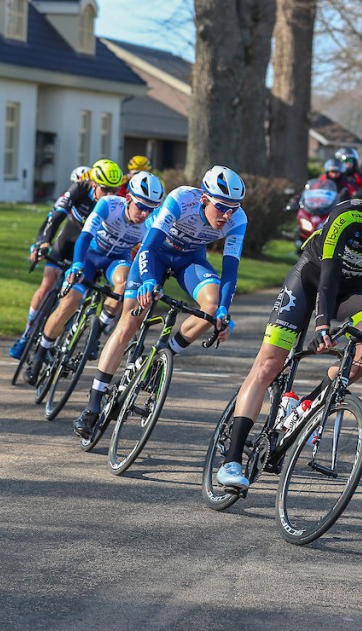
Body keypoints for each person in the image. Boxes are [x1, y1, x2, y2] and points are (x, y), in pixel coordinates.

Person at [214, 170, 362, 490]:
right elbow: (327, 276)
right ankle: (231, 461)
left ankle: (309, 405)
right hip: (309, 281)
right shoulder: (347, 216)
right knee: (270, 363)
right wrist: (322, 323)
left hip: (350, 291)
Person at [72, 165, 247, 438]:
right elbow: (148, 247)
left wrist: (224, 309)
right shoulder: (181, 199)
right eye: (221, 206)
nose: (227, 215)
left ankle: (162, 357)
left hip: (191, 260)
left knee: (211, 307)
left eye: (233, 208)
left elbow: (231, 271)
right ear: (204, 199)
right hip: (155, 255)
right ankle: (93, 405)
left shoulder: (238, 220)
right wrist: (148, 281)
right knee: (130, 321)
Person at [25, 171, 164, 384]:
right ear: (128, 199)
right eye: (141, 206)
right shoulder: (108, 205)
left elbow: (148, 255)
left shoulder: (151, 224)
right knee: (68, 305)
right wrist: (78, 264)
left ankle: (98, 328)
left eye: (151, 209)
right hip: (90, 257)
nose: (145, 214)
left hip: (116, 260)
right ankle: (41, 353)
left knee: (125, 282)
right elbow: (85, 236)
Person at [8, 159, 124, 359]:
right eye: (105, 189)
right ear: (94, 183)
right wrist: (43, 243)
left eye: (115, 190)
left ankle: (62, 336)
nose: (110, 195)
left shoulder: (113, 202)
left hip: (91, 248)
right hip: (70, 238)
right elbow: (56, 216)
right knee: (48, 281)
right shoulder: (79, 188)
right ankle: (27, 335)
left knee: (79, 296)